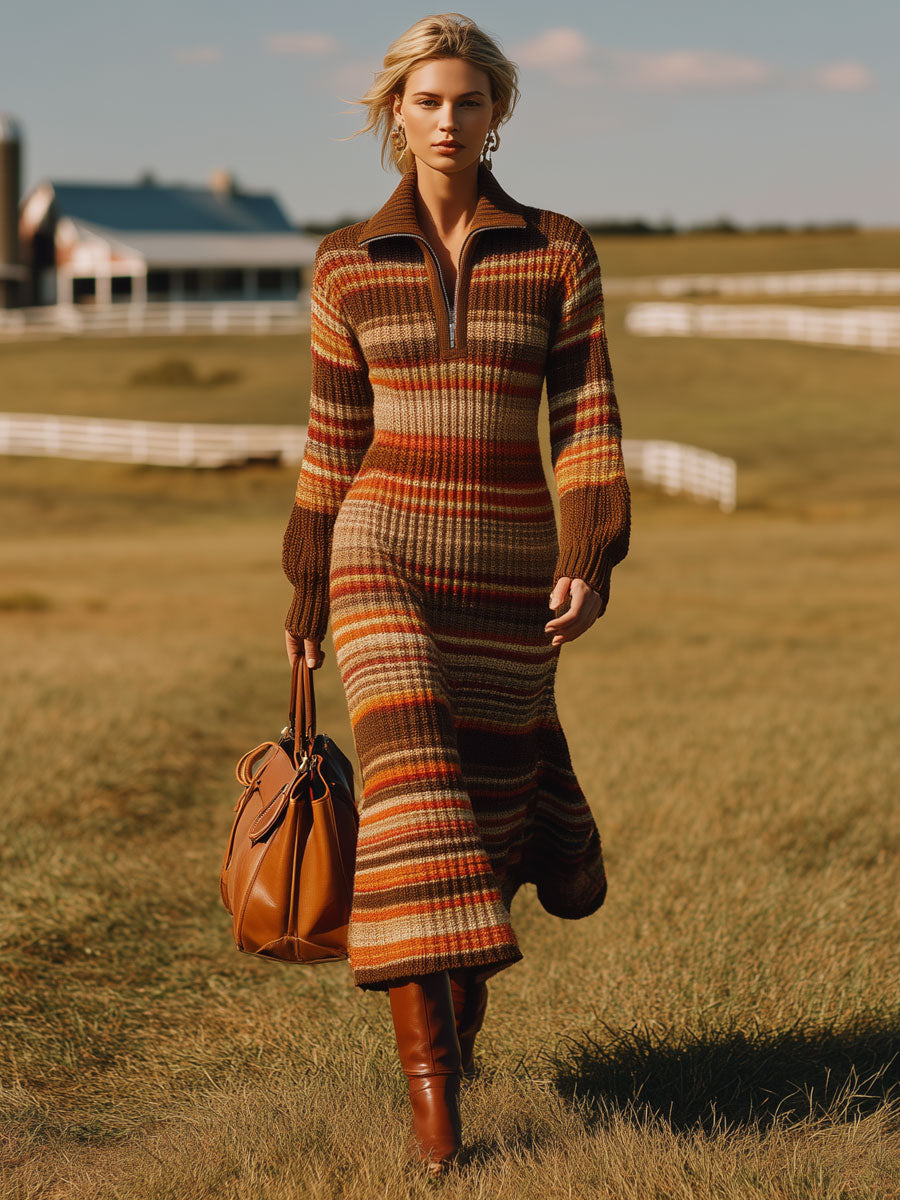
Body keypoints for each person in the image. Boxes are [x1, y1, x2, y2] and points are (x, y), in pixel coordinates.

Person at [281, 12, 631, 1175]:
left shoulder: (557, 250)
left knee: (480, 811)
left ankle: (459, 1042)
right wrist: (305, 593)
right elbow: (332, 444)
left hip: (510, 565)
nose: (447, 120)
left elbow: (585, 419)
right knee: (414, 785)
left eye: (468, 101)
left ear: (498, 114)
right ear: (395, 114)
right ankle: (436, 1111)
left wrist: (590, 546)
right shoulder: (344, 263)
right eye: (426, 101)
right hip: (378, 547)